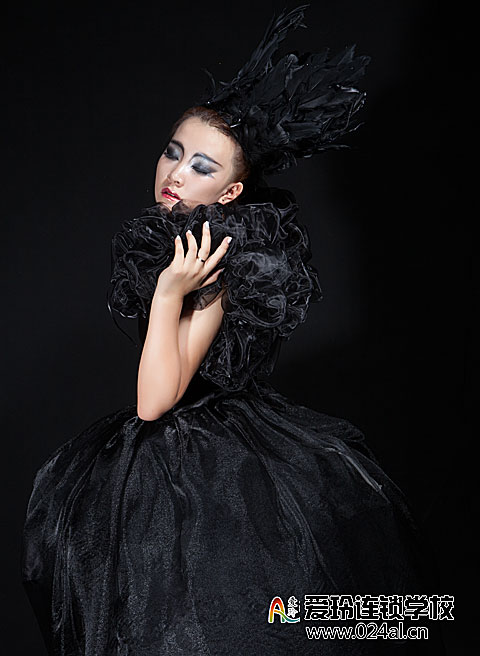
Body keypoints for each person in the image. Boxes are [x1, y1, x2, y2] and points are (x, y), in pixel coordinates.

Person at [21, 7, 443, 655]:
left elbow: (155, 401)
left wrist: (170, 293)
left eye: (202, 167)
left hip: (208, 467)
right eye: (173, 152)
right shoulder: (178, 240)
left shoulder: (214, 258)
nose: (174, 174)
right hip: (177, 452)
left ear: (230, 193)